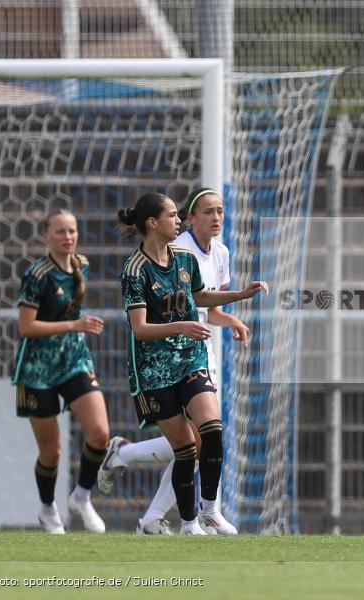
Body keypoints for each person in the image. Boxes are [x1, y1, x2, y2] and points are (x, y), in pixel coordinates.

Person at [97, 187, 249, 536]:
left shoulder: (184, 258)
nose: (178, 220)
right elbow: (140, 329)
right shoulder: (134, 270)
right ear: (152, 223)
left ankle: (210, 510)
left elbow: (201, 296)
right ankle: (187, 523)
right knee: (184, 449)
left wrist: (240, 295)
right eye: (172, 216)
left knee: (211, 431)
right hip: (154, 371)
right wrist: (182, 324)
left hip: (190, 359)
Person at [12, 208, 110, 534]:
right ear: (45, 236)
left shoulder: (82, 265)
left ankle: (81, 496)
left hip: (74, 360)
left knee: (99, 434)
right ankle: (47, 507)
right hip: (38, 369)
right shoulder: (37, 275)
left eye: (72, 231)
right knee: (51, 451)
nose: (67, 237)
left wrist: (76, 331)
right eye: (60, 232)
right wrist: (74, 324)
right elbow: (26, 327)